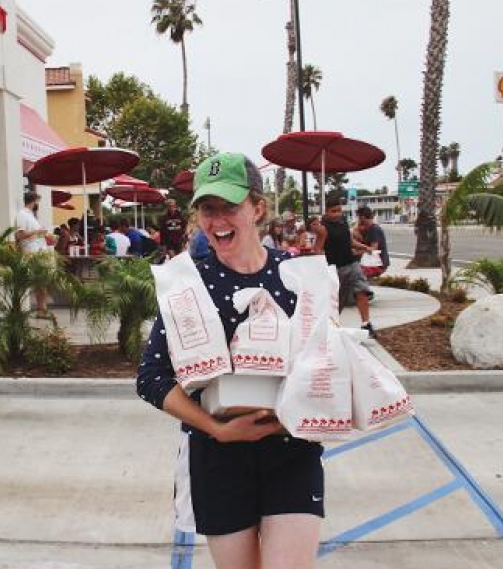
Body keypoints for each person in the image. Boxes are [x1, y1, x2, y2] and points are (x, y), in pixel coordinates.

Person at [137, 152, 323, 569]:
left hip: (292, 451)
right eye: (208, 208)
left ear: (257, 208)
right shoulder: (187, 285)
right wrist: (218, 430)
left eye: (230, 207)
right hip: (218, 458)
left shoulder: (298, 276)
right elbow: (150, 377)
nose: (218, 220)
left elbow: (324, 360)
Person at [312, 195, 377, 338]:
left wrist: (365, 247)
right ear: (327, 212)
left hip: (351, 263)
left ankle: (366, 324)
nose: (338, 214)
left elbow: (350, 241)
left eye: (340, 210)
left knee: (362, 288)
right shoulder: (323, 228)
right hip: (335, 269)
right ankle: (332, 327)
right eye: (334, 211)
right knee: (338, 301)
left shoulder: (343, 222)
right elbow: (317, 250)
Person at [14, 191, 52, 317]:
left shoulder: (30, 215)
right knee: (38, 282)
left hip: (39, 252)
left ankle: (42, 309)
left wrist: (46, 236)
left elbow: (34, 235)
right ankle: (41, 309)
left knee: (41, 282)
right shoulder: (22, 214)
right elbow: (19, 235)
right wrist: (37, 231)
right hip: (31, 253)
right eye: (37, 201)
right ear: (34, 201)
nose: (38, 204)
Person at [354, 206, 390, 278]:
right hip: (370, 262)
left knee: (354, 275)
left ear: (363, 218)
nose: (358, 220)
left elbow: (373, 250)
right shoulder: (367, 229)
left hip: (377, 264)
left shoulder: (374, 229)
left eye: (359, 218)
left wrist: (356, 252)